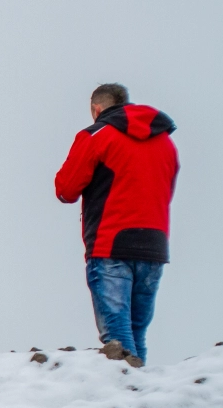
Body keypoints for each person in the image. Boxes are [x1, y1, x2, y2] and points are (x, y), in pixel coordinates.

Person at [54, 83, 178, 366]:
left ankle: (128, 396)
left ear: (96, 109)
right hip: (154, 245)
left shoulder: (96, 135)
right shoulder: (165, 141)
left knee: (118, 336)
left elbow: (66, 189)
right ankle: (140, 393)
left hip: (111, 243)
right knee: (137, 331)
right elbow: (166, 189)